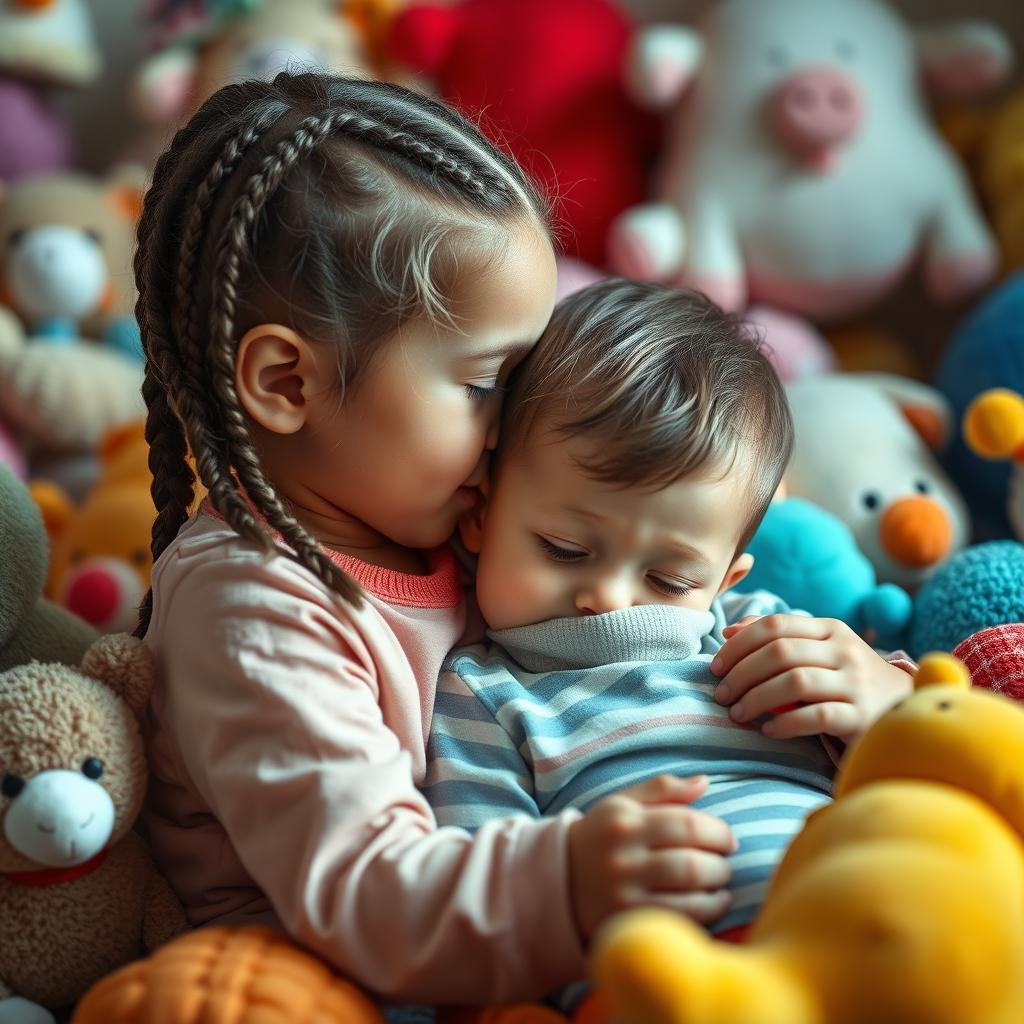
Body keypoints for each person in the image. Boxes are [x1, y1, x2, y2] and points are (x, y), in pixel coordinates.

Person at [136, 72, 736, 1005]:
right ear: (287, 384)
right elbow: (363, 891)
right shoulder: (254, 608)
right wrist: (569, 881)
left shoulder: (436, 516)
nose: (512, 430)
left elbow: (662, 610)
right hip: (325, 976)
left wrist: (854, 680)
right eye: (486, 382)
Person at [425, 279, 916, 950]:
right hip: (676, 965)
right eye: (564, 549)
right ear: (480, 516)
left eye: (669, 578)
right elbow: (483, 885)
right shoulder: (481, 693)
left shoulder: (754, 628)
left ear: (723, 580)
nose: (611, 598)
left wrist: (888, 700)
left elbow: (942, 754)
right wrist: (570, 881)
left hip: (876, 910)